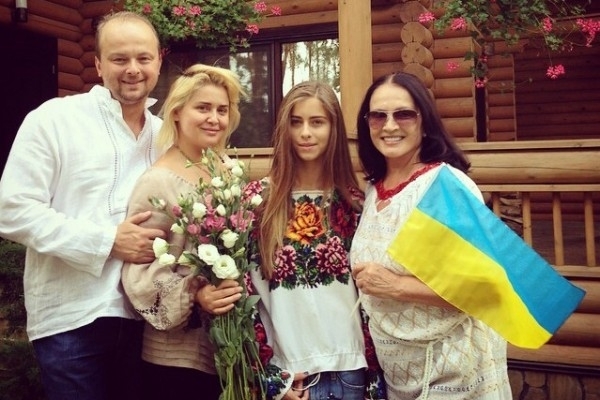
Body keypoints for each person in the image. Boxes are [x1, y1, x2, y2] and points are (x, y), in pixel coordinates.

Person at [0, 11, 165, 400]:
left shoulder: (167, 136)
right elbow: (12, 210)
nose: (133, 69)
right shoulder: (55, 120)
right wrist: (107, 241)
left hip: (148, 319)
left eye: (143, 58)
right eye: (119, 58)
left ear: (159, 61)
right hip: (72, 317)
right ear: (98, 64)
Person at [350, 72, 512, 399]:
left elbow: (486, 286)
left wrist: (396, 286)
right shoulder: (374, 189)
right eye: (378, 116)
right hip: (398, 371)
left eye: (404, 114)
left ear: (425, 121)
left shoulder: (446, 187)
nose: (389, 126)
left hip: (453, 367)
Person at [248, 81, 386, 400]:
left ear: (333, 128)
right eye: (296, 122)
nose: (305, 133)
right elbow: (243, 296)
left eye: (317, 122)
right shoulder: (257, 203)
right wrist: (269, 379)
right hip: (290, 377)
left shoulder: (355, 204)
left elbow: (372, 297)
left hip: (351, 371)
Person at [121, 64, 246, 400]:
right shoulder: (157, 181)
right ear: (177, 112)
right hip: (176, 358)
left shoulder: (229, 171)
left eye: (222, 110)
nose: (214, 119)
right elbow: (139, 271)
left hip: (231, 348)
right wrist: (196, 294)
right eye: (202, 108)